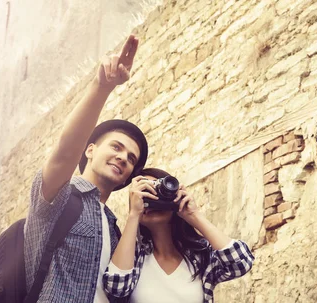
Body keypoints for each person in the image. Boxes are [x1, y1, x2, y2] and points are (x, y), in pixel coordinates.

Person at [24, 35, 148, 302]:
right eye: (115, 147)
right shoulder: (60, 197)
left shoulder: (115, 228)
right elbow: (64, 152)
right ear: (90, 150)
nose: (124, 158)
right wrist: (101, 87)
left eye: (131, 158)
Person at [103, 168, 255, 303]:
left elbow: (241, 263)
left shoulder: (200, 256)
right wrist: (134, 214)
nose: (153, 199)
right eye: (146, 194)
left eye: (157, 192)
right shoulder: (134, 257)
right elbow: (116, 287)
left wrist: (194, 215)